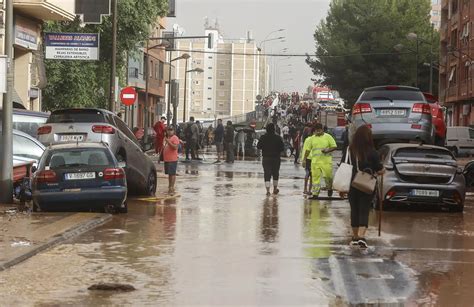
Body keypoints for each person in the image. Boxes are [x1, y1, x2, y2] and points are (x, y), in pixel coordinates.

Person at [344, 125, 384, 249]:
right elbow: (379, 169)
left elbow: (343, 165)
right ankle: (361, 236)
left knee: (354, 210)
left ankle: (355, 237)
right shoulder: (372, 152)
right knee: (364, 210)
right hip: (366, 185)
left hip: (351, 184)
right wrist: (382, 171)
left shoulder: (350, 150)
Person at [303, 123, 337, 199]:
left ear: (322, 129)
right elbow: (308, 150)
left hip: (326, 162)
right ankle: (315, 193)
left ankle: (329, 188)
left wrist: (327, 150)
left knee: (328, 177)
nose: (318, 132)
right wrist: (304, 159)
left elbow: (334, 146)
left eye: (319, 130)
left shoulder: (328, 137)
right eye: (316, 131)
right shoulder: (312, 138)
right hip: (315, 162)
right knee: (315, 178)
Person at [257, 123, 285, 196]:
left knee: (267, 173)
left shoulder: (263, 137)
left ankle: (267, 191)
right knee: (275, 173)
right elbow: (282, 148)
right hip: (276, 158)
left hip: (266, 158)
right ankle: (275, 189)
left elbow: (258, 146)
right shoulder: (278, 138)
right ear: (274, 129)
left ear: (266, 129)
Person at [163, 126, 181, 195]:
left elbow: (175, 147)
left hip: (172, 159)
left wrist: (168, 141)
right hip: (166, 159)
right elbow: (163, 148)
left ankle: (172, 187)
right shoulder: (166, 138)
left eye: (171, 130)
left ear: (173, 131)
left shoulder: (175, 138)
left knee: (172, 173)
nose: (169, 131)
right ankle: (169, 185)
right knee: (169, 174)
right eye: (168, 130)